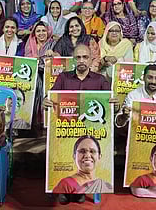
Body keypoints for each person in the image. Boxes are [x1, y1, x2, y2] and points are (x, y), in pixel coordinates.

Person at [44, 44, 112, 205]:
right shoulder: (63, 78)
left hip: (92, 132)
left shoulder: (100, 80)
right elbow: (52, 98)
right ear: (73, 59)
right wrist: (45, 101)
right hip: (67, 129)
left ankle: (82, 189)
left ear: (91, 59)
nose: (81, 61)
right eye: (78, 57)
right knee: (61, 149)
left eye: (85, 57)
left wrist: (113, 104)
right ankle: (64, 190)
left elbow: (109, 108)